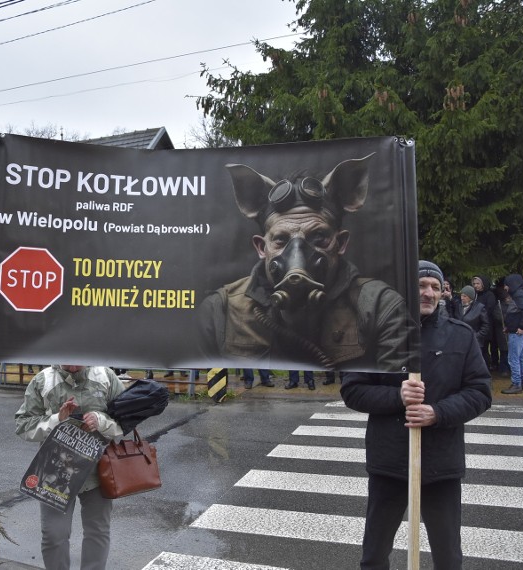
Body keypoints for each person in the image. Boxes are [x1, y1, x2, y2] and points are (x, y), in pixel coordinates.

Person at [197, 154, 414, 372]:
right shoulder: (221, 311)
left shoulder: (379, 306)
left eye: (319, 238)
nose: (297, 255)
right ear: (262, 248)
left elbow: (399, 388)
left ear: (340, 243)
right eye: (281, 240)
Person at [340, 260, 492, 569]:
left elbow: (480, 392)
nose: (429, 293)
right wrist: (397, 396)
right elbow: (352, 390)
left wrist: (438, 412)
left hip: (441, 465)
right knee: (374, 555)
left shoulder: (460, 337)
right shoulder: (376, 335)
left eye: (436, 287)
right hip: (390, 463)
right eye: (421, 285)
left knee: (448, 556)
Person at [15, 365, 125, 570]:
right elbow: (23, 425)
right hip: (54, 472)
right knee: (54, 535)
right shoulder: (43, 380)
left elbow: (127, 419)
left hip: (99, 469)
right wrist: (57, 419)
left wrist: (101, 421)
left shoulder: (106, 376)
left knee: (98, 531)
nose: (72, 364)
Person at [501, 273, 523, 394]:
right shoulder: (522, 294)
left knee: (513, 358)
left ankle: (516, 384)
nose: (505, 288)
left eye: (506, 285)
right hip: (517, 331)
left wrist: (522, 327)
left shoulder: (518, 295)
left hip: (517, 332)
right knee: (521, 357)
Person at [458, 285, 491, 355]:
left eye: (465, 296)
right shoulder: (459, 306)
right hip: (461, 340)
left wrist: (477, 335)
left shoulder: (480, 308)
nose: (462, 298)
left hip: (475, 342)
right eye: (461, 295)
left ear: (470, 297)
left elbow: (486, 325)